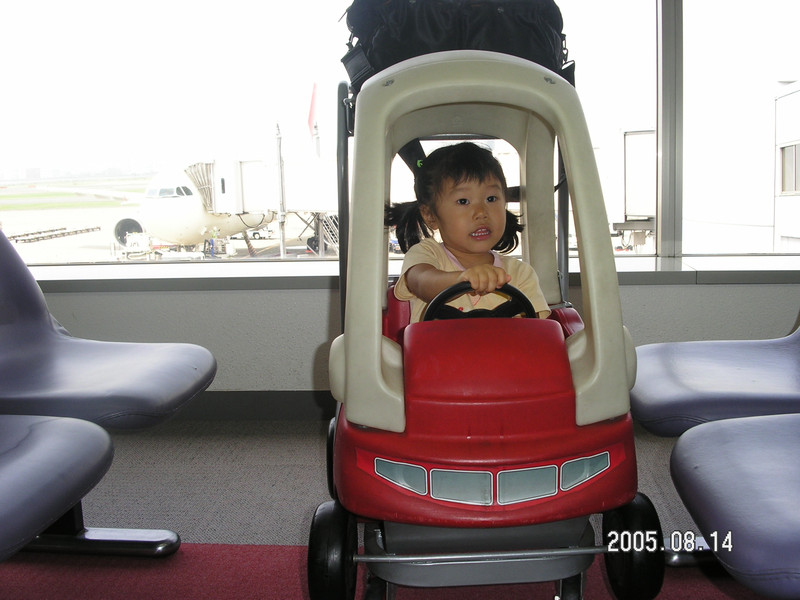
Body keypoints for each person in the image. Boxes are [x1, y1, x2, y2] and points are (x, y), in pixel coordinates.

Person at [386, 142, 551, 323]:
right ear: (431, 215)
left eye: (491, 198)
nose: (481, 212)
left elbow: (537, 331)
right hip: (437, 343)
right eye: (463, 201)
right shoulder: (427, 254)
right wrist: (461, 279)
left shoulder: (519, 273)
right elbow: (421, 282)